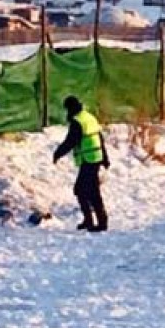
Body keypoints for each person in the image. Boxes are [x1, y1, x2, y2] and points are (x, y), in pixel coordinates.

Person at [53, 96, 110, 232]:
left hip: (88, 160)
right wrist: (104, 157)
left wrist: (58, 153)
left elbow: (71, 141)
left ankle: (100, 222)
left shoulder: (78, 122)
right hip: (95, 158)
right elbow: (99, 138)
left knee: (87, 191)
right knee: (85, 191)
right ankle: (90, 220)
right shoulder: (89, 117)